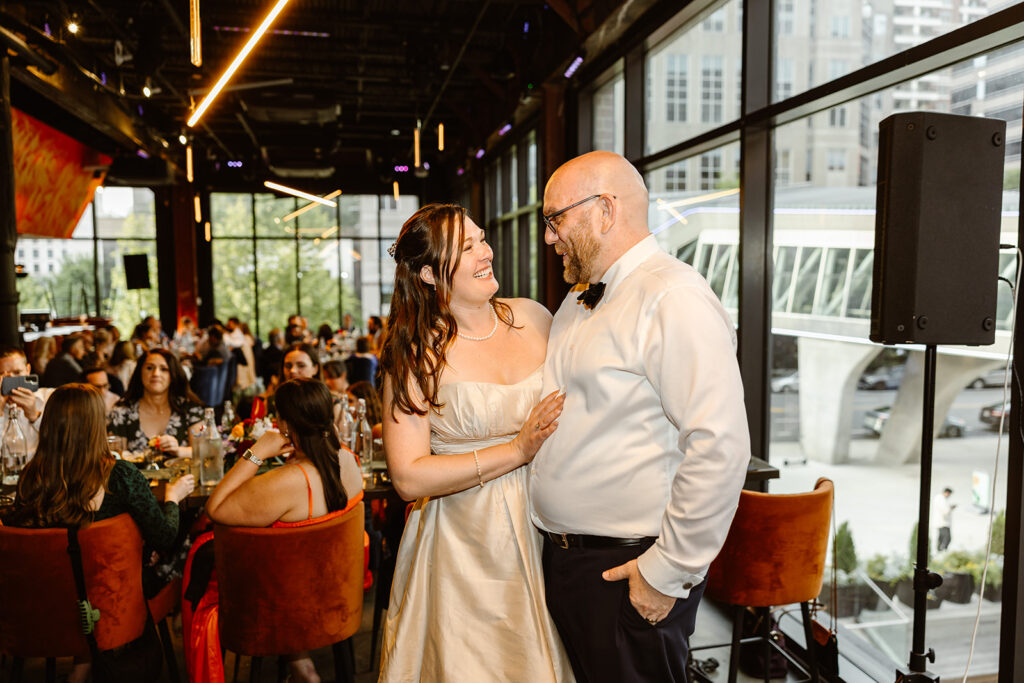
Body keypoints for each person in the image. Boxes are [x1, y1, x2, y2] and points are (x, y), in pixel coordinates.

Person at [531, 151, 750, 683]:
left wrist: (667, 572)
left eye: (555, 218)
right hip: (571, 563)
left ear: (604, 210)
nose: (548, 237)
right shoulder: (578, 300)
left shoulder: (673, 296)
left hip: (628, 567)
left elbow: (719, 445)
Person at [377, 203, 571, 681]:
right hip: (466, 542)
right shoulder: (415, 353)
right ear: (427, 273)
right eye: (466, 248)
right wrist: (516, 451)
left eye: (482, 239)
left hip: (557, 524)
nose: (486, 252)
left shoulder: (535, 317)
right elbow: (407, 475)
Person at [7, 384, 194, 683]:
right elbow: (165, 536)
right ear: (97, 425)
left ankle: (82, 667)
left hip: (49, 604)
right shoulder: (119, 476)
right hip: (112, 605)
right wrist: (172, 498)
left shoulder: (30, 478)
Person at [194, 378, 364, 683]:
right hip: (336, 592)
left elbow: (215, 507)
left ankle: (299, 663)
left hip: (287, 602)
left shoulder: (287, 481)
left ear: (284, 422)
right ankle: (300, 663)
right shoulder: (349, 461)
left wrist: (257, 452)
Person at [107, 348, 205, 461]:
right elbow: (114, 456)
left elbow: (205, 451)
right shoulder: (121, 411)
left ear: (173, 374)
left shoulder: (190, 408)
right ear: (139, 372)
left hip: (182, 477)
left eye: (164, 369)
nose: (156, 374)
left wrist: (178, 450)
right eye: (149, 368)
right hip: (136, 478)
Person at [0, 346, 52, 457]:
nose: (11, 380)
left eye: (17, 372)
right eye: (3, 375)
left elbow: (61, 444)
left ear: (28, 370)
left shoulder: (49, 398)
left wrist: (35, 416)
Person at [934, 487, 956, 551]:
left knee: (941, 539)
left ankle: (939, 551)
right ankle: (942, 551)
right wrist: (951, 508)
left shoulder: (940, 499)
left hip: (941, 523)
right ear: (947, 493)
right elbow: (945, 511)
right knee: (947, 538)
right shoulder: (941, 499)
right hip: (943, 523)